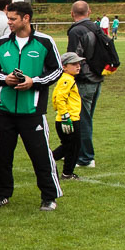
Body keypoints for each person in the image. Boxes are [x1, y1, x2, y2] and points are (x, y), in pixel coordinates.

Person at [0, 1, 63, 211]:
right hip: (4, 111)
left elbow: (56, 71)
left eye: (12, 19)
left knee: (41, 155)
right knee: (1, 155)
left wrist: (34, 82)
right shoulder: (2, 43)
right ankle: (2, 194)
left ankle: (49, 196)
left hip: (33, 111)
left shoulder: (45, 42)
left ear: (26, 18)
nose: (9, 22)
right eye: (8, 18)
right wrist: (5, 79)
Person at [66, 1, 105, 168]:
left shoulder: (76, 31)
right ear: (89, 11)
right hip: (98, 78)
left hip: (84, 80)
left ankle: (86, 158)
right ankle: (74, 151)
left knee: (82, 119)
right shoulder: (96, 27)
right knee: (86, 118)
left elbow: (73, 58)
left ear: (72, 13)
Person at [51, 53, 84, 181]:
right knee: (73, 146)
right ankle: (67, 173)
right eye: (74, 64)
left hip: (67, 118)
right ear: (64, 67)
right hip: (69, 119)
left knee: (68, 146)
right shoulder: (67, 79)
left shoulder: (67, 78)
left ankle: (48, 160)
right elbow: (59, 98)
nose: (78, 66)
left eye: (79, 63)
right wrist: (65, 116)